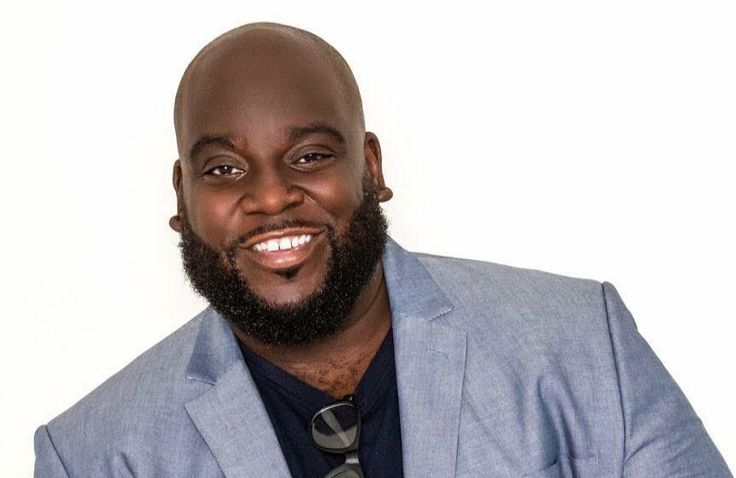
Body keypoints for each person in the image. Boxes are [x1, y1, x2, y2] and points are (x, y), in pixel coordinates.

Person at [34, 22, 732, 478]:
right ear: (182, 197)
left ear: (370, 168)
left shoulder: (582, 343)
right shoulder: (94, 454)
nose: (271, 197)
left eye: (309, 155)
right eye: (223, 169)